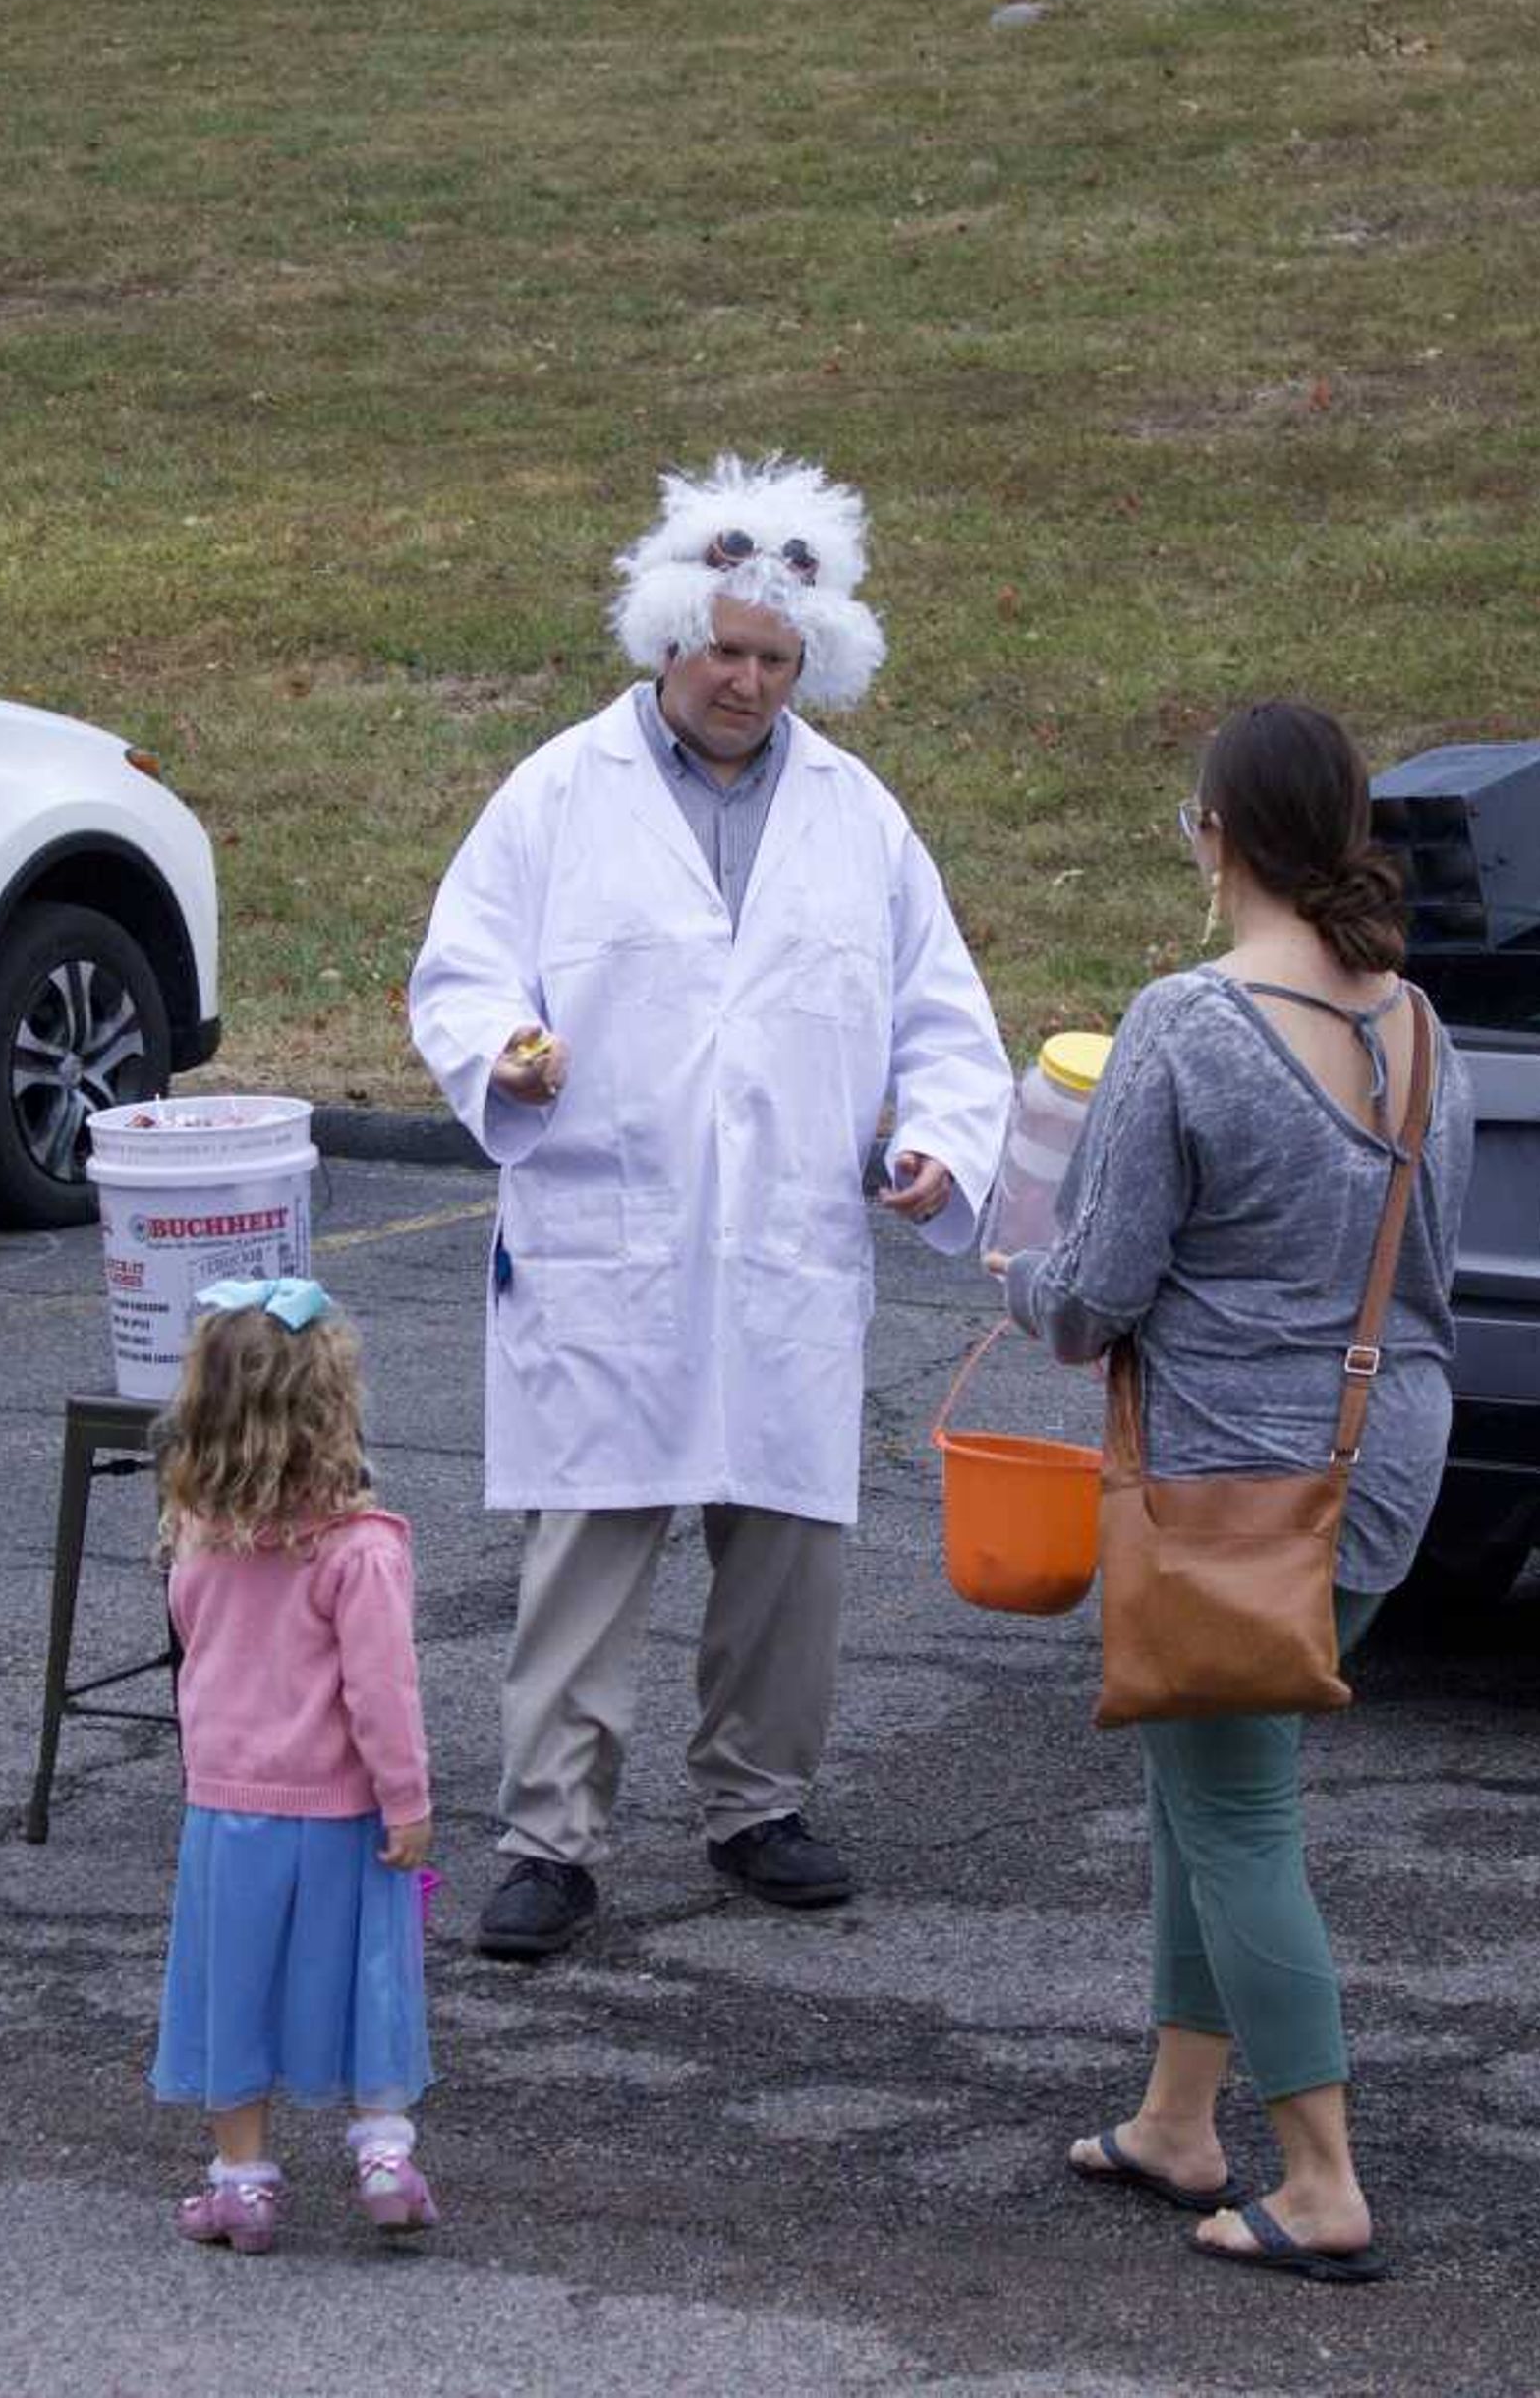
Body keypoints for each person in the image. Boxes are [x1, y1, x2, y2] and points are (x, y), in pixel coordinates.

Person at [407, 453, 1011, 1959]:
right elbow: (463, 972)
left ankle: (756, 1801)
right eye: (724, 650)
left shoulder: (859, 817)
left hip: (787, 1246)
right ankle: (550, 1834)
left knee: (788, 1549)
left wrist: (938, 1138)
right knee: (589, 1550)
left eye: (775, 659)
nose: (746, 681)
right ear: (668, 637)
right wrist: (505, 1056)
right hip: (608, 1240)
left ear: (813, 664)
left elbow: (942, 1016)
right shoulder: (558, 794)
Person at [991, 699, 1471, 2281]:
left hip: (1228, 1488)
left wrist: (1011, 1275)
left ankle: (1321, 2174)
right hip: (1381, 1463)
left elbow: (1094, 1294)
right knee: (1202, 1783)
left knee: (1237, 1807)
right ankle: (1175, 2117)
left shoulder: (1186, 1021)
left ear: (1217, 832)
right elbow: (1429, 1276)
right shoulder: (1416, 1023)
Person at [145, 1276, 437, 2254]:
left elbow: (195, 1642)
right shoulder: (360, 1548)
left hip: (228, 1805)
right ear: (331, 1407)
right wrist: (408, 1800)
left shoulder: (198, 1536)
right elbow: (381, 1689)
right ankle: (384, 2149)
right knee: (367, 1975)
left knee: (234, 1987)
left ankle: (243, 2180)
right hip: (344, 1807)